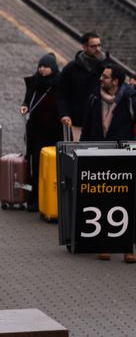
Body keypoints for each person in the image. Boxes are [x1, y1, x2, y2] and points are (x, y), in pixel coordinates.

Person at [62, 64, 136, 263]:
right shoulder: (94, 98)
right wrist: (83, 153)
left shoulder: (130, 99)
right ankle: (106, 245)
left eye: (105, 76)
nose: (101, 78)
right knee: (104, 199)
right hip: (100, 155)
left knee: (127, 201)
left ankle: (129, 248)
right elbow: (87, 128)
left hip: (124, 156)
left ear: (115, 81)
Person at [20, 53, 61, 212]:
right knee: (36, 164)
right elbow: (28, 99)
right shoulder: (34, 82)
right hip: (38, 130)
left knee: (53, 166)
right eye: (41, 66)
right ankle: (34, 200)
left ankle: (51, 199)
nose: (42, 69)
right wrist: (25, 105)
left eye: (46, 67)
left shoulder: (60, 83)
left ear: (53, 68)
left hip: (56, 131)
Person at [58, 32, 111, 142]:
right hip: (78, 120)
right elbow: (62, 94)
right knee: (79, 154)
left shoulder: (107, 67)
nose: (97, 49)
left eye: (99, 45)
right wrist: (64, 114)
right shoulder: (71, 68)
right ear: (84, 47)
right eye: (93, 46)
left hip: (102, 121)